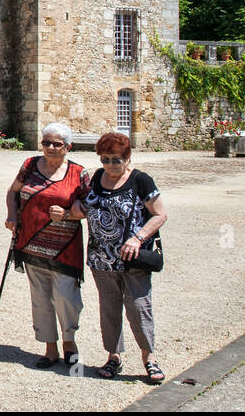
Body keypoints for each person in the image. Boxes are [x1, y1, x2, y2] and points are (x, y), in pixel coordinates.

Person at [53, 131, 167, 383]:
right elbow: (86, 207)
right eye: (105, 159)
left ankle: (149, 357)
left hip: (132, 259)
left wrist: (137, 238)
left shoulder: (141, 180)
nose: (110, 165)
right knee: (109, 310)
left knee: (139, 308)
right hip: (101, 259)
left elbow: (160, 215)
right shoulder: (97, 179)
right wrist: (75, 209)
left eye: (116, 159)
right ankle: (113, 356)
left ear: (127, 158)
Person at [4, 123, 91, 368]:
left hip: (65, 247)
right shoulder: (30, 165)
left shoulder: (79, 173)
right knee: (40, 298)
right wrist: (12, 215)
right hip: (31, 244)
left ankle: (69, 342)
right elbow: (13, 192)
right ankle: (50, 348)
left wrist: (67, 214)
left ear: (68, 147)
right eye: (46, 143)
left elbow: (88, 208)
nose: (50, 148)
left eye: (56, 144)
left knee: (66, 297)